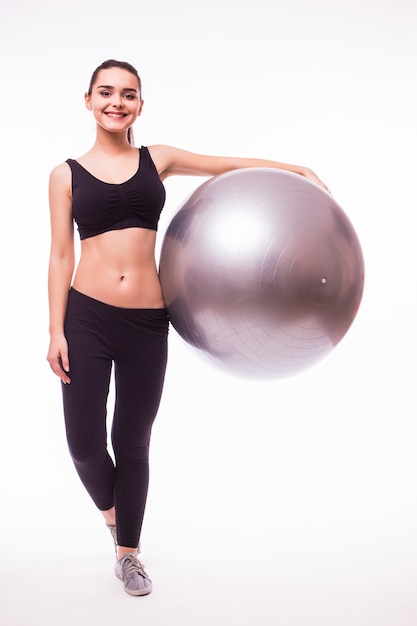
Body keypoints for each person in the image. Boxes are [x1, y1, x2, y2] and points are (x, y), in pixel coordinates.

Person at [46, 59, 328, 597]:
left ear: (140, 106)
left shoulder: (159, 159)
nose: (117, 102)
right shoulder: (65, 174)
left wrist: (296, 170)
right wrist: (55, 330)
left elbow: (226, 167)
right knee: (83, 444)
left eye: (128, 94)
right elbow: (61, 256)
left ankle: (129, 554)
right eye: (106, 93)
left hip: (149, 322)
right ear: (87, 101)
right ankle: (115, 518)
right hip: (86, 316)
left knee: (132, 442)